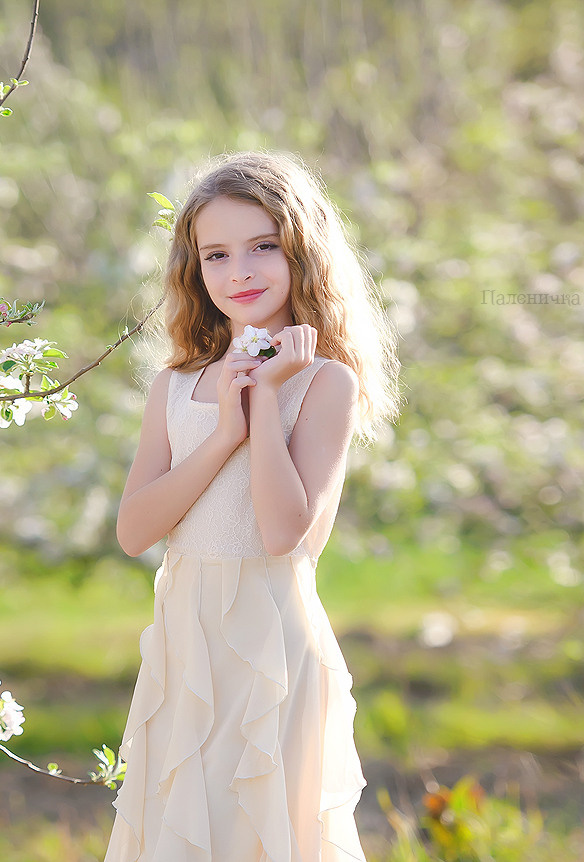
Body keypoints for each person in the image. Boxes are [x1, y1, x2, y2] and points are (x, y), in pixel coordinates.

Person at [105, 151, 400, 862]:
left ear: (303, 254)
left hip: (271, 643)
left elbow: (282, 534)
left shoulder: (324, 383)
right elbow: (135, 529)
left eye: (264, 246)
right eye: (217, 254)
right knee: (183, 831)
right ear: (195, 270)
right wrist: (223, 436)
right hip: (187, 643)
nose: (240, 271)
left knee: (265, 831)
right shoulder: (175, 386)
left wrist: (266, 399)